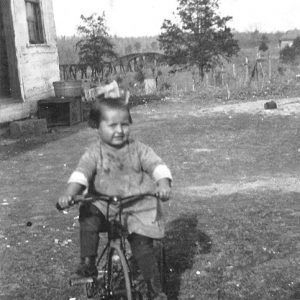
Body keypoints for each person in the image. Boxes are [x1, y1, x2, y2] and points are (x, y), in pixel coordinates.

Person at [58, 96, 172, 299]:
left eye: (125, 124)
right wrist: (70, 193)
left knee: (143, 248)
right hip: (104, 205)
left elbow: (157, 165)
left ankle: (155, 291)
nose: (119, 130)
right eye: (112, 125)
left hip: (137, 207)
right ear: (96, 127)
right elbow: (81, 173)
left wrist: (163, 184)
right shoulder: (94, 153)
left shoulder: (138, 149)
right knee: (88, 213)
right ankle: (88, 263)